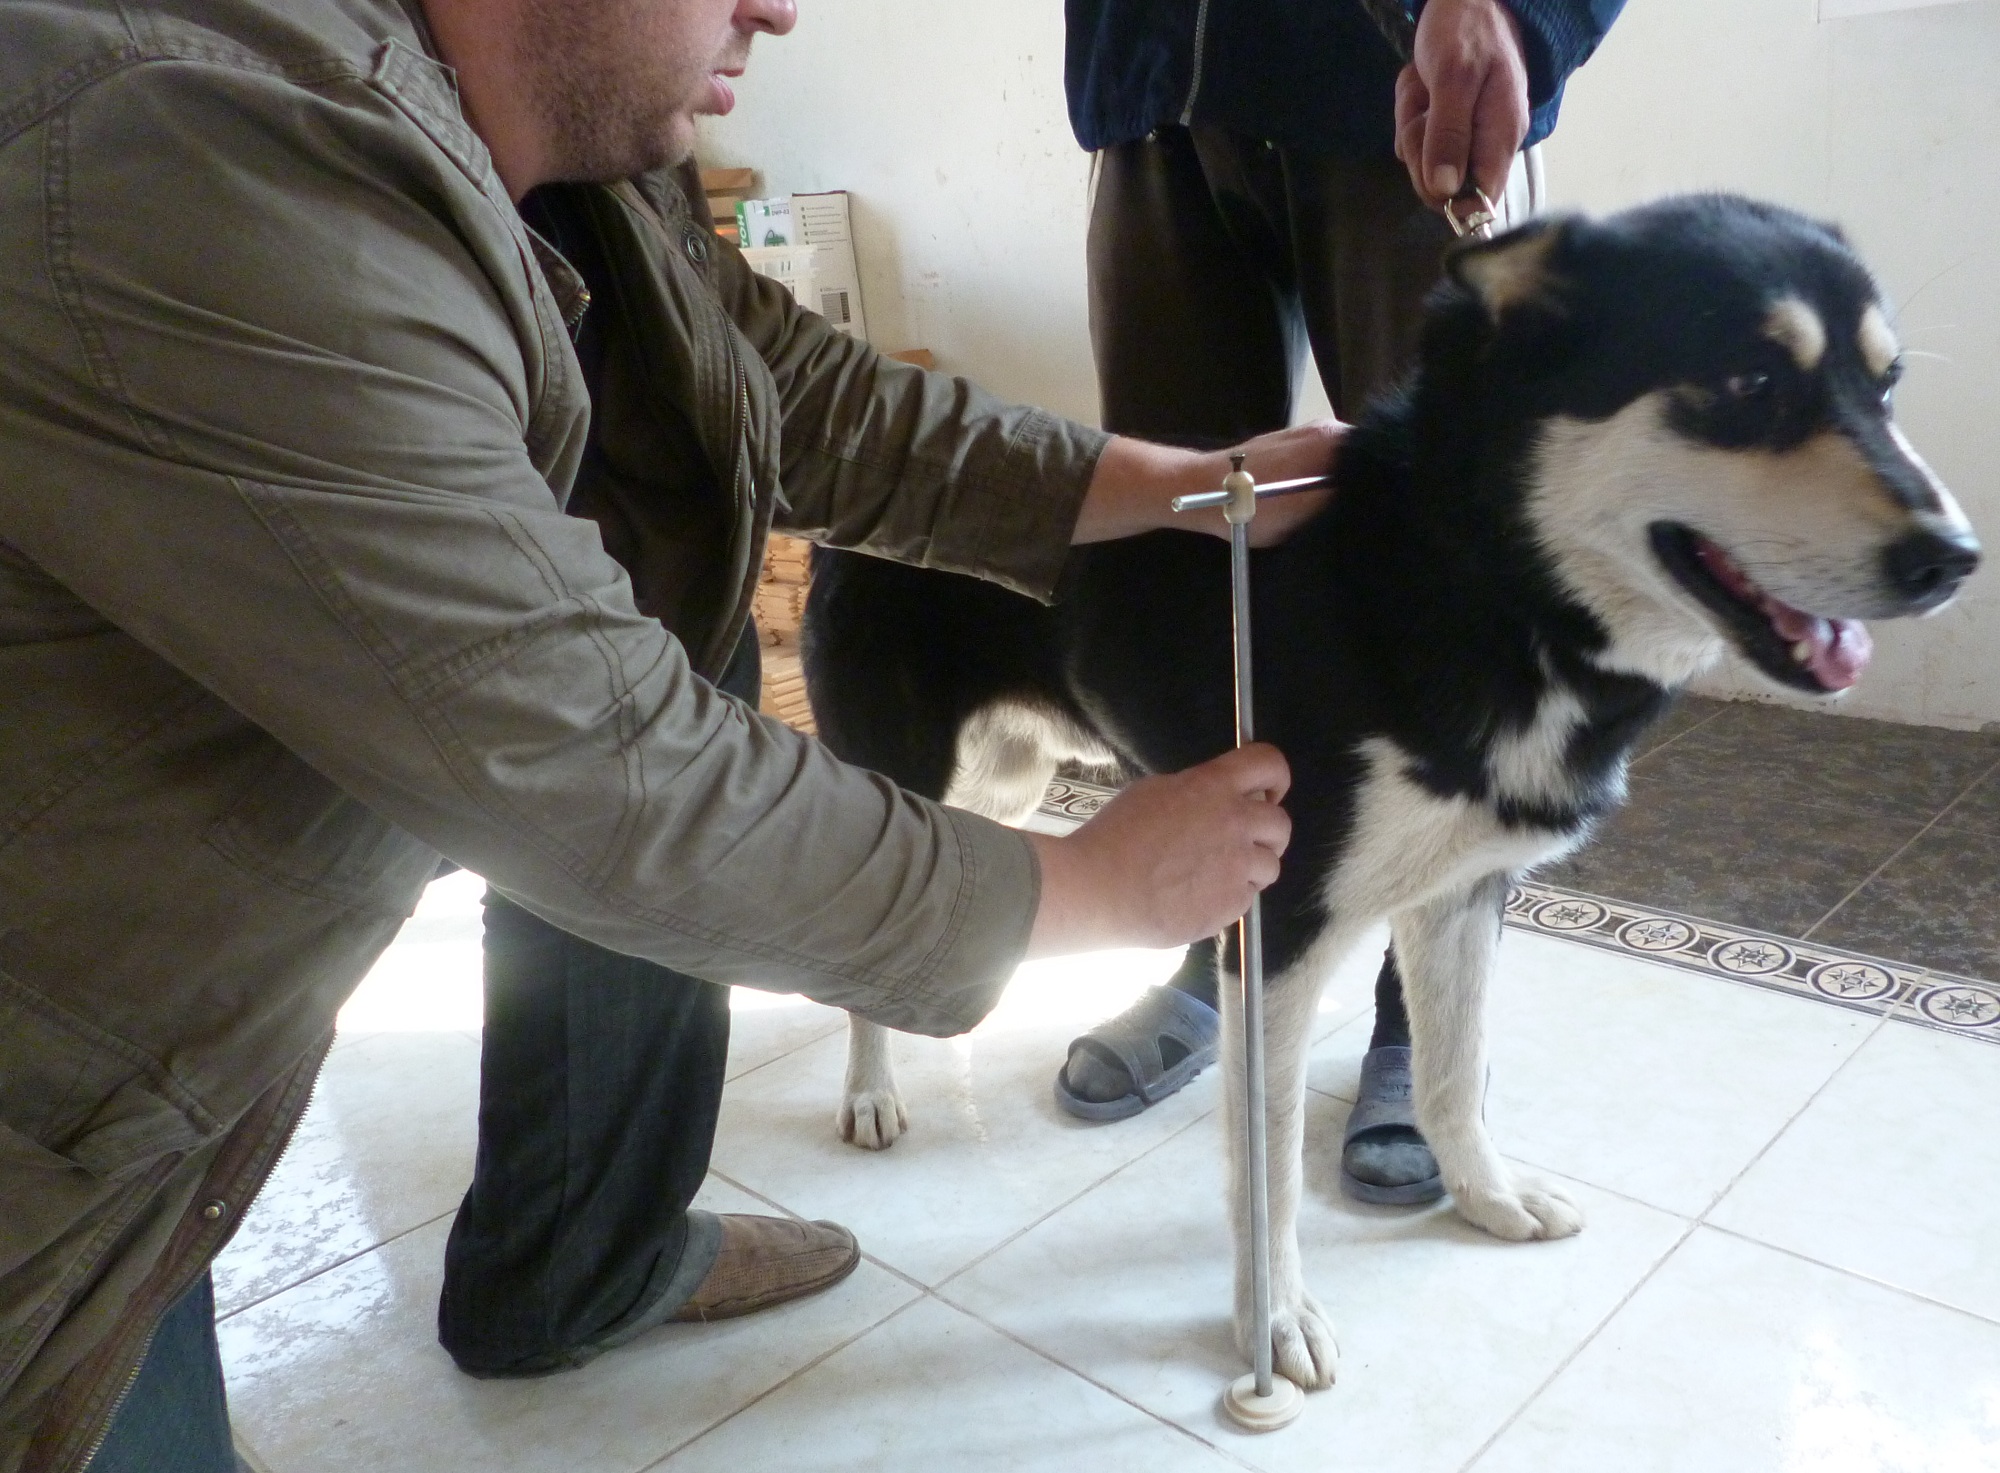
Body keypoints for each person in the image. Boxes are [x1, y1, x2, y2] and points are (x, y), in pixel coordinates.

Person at [0, 0, 1344, 1467]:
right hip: (53, 1110)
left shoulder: (578, 148)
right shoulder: (206, 163)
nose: (779, 9)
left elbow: (789, 390)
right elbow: (599, 773)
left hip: (164, 1086)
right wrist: (1089, 887)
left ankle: (592, 1256)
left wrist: (1179, 482)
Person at [1052, 0, 1626, 1207]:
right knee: (1176, 556)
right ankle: (1221, 941)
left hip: (1392, 68)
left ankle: (1416, 1023)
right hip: (1152, 80)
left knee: (1459, 574)